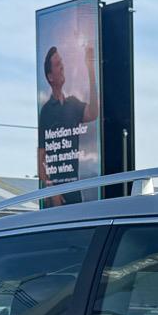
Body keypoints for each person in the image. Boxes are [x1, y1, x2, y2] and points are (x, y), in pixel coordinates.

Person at [37, 44, 100, 206]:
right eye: (58, 64)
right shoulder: (46, 111)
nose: (62, 67)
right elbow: (41, 156)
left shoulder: (73, 104)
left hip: (74, 188)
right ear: (50, 76)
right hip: (56, 196)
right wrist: (51, 190)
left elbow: (93, 112)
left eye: (62, 62)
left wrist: (90, 67)